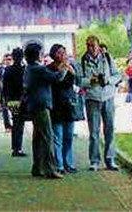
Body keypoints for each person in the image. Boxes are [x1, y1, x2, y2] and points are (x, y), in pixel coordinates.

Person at [76, 35, 120, 171]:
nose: (90, 48)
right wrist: (91, 81)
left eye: (93, 45)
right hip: (92, 99)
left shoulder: (107, 58)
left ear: (98, 46)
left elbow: (118, 75)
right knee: (94, 132)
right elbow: (78, 81)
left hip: (108, 97)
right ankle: (94, 160)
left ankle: (110, 159)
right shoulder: (82, 61)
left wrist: (108, 80)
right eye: (88, 45)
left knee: (110, 129)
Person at [23, 41, 64, 179]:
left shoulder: (29, 68)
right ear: (37, 55)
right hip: (41, 106)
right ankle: (50, 169)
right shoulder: (38, 69)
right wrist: (64, 67)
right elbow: (57, 78)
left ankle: (37, 167)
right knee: (48, 137)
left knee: (38, 138)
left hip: (33, 105)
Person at [48, 44, 78, 175]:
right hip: (56, 105)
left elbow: (74, 82)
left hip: (68, 104)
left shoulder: (70, 67)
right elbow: (55, 82)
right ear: (53, 54)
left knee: (69, 136)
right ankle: (59, 164)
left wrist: (71, 71)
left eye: (64, 52)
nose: (62, 55)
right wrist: (64, 70)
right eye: (59, 52)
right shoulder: (49, 69)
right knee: (57, 137)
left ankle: (69, 163)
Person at [1, 47, 27, 156]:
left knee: (16, 123)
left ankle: (15, 147)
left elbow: (4, 87)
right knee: (19, 124)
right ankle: (18, 148)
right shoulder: (24, 70)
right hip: (22, 99)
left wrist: (5, 99)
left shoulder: (8, 70)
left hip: (12, 99)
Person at [0, 54, 13, 130]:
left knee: (13, 109)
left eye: (9, 59)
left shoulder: (14, 68)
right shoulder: (2, 69)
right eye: (6, 59)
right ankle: (7, 126)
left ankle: (14, 125)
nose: (7, 61)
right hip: (3, 90)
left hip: (12, 91)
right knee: (4, 109)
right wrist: (1, 62)